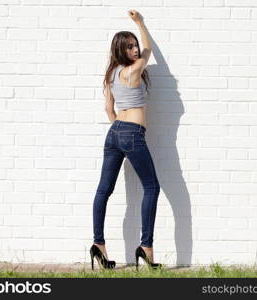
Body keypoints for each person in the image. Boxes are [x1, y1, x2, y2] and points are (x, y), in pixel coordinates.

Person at [90, 9, 162, 271]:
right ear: (121, 49)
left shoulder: (111, 74)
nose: (135, 49)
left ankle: (98, 245)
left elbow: (109, 110)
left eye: (134, 44)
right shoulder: (132, 71)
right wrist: (140, 23)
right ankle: (146, 249)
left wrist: (120, 130)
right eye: (129, 46)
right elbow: (149, 49)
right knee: (152, 187)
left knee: (103, 190)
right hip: (131, 132)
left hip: (115, 132)